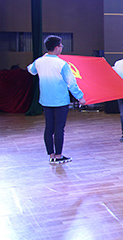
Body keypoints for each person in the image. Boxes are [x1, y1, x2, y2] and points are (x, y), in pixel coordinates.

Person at [27, 35, 86, 164]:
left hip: (46, 100)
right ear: (56, 48)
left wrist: (41, 59)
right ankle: (59, 155)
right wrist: (80, 97)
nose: (61, 48)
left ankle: (51, 155)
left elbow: (31, 70)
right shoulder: (62, 64)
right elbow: (71, 83)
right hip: (60, 101)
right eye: (61, 45)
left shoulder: (39, 61)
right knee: (59, 128)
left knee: (49, 128)